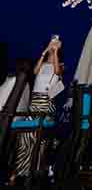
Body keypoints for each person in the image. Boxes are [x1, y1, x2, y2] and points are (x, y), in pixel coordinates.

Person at [14, 37, 65, 180]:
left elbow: (57, 72)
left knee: (38, 138)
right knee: (25, 136)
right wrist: (45, 52)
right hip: (34, 102)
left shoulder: (60, 64)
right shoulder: (42, 64)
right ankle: (20, 171)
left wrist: (56, 51)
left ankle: (34, 171)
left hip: (46, 103)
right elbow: (35, 71)